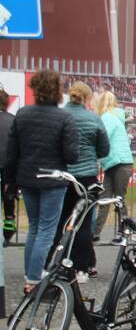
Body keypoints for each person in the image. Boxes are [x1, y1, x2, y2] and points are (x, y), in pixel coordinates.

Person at [4, 69, 79, 294]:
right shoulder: (65, 117)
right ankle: (35, 279)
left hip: (27, 178)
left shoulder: (23, 114)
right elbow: (72, 155)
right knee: (46, 229)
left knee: (35, 228)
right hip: (53, 180)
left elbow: (12, 152)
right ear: (57, 91)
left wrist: (10, 181)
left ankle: (31, 275)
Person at [52, 82, 109, 279]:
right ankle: (81, 268)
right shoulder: (93, 119)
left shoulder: (59, 116)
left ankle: (54, 265)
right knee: (83, 223)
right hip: (86, 177)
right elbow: (104, 150)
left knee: (59, 221)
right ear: (87, 98)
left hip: (62, 175)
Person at [93, 91, 134, 238]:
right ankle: (122, 231)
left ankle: (101, 232)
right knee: (117, 199)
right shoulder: (117, 116)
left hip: (117, 162)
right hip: (119, 162)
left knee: (108, 199)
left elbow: (102, 138)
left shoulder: (106, 117)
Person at [0, 89, 16, 242]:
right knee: (8, 196)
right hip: (9, 165)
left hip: (7, 163)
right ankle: (9, 224)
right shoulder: (13, 120)